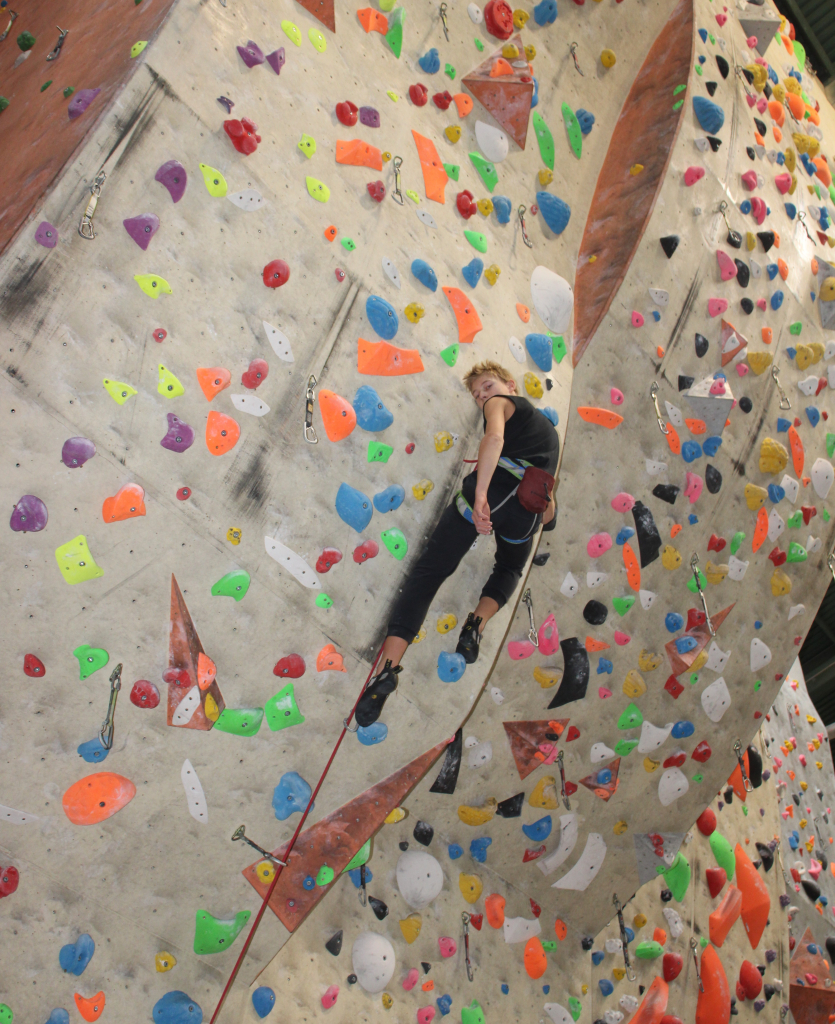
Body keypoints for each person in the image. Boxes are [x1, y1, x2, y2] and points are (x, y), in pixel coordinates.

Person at [355, 360, 559, 727]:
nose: (483, 397)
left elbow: (494, 439)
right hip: (527, 514)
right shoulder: (550, 436)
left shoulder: (502, 404)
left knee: (430, 573)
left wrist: (481, 494)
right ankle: (475, 625)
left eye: (487, 386)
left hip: (492, 493)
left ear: (510, 385)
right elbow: (550, 512)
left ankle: (387, 670)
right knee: (511, 567)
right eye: (477, 394)